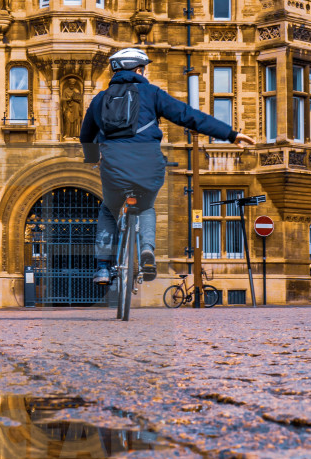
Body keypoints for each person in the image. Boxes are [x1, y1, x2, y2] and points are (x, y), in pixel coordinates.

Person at [80, 47, 249, 286]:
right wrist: (230, 134)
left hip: (114, 167)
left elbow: (86, 135)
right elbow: (188, 115)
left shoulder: (99, 99)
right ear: (138, 70)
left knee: (108, 210)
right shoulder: (151, 93)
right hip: (148, 165)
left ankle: (103, 268)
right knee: (146, 206)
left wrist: (92, 158)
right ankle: (147, 252)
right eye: (144, 70)